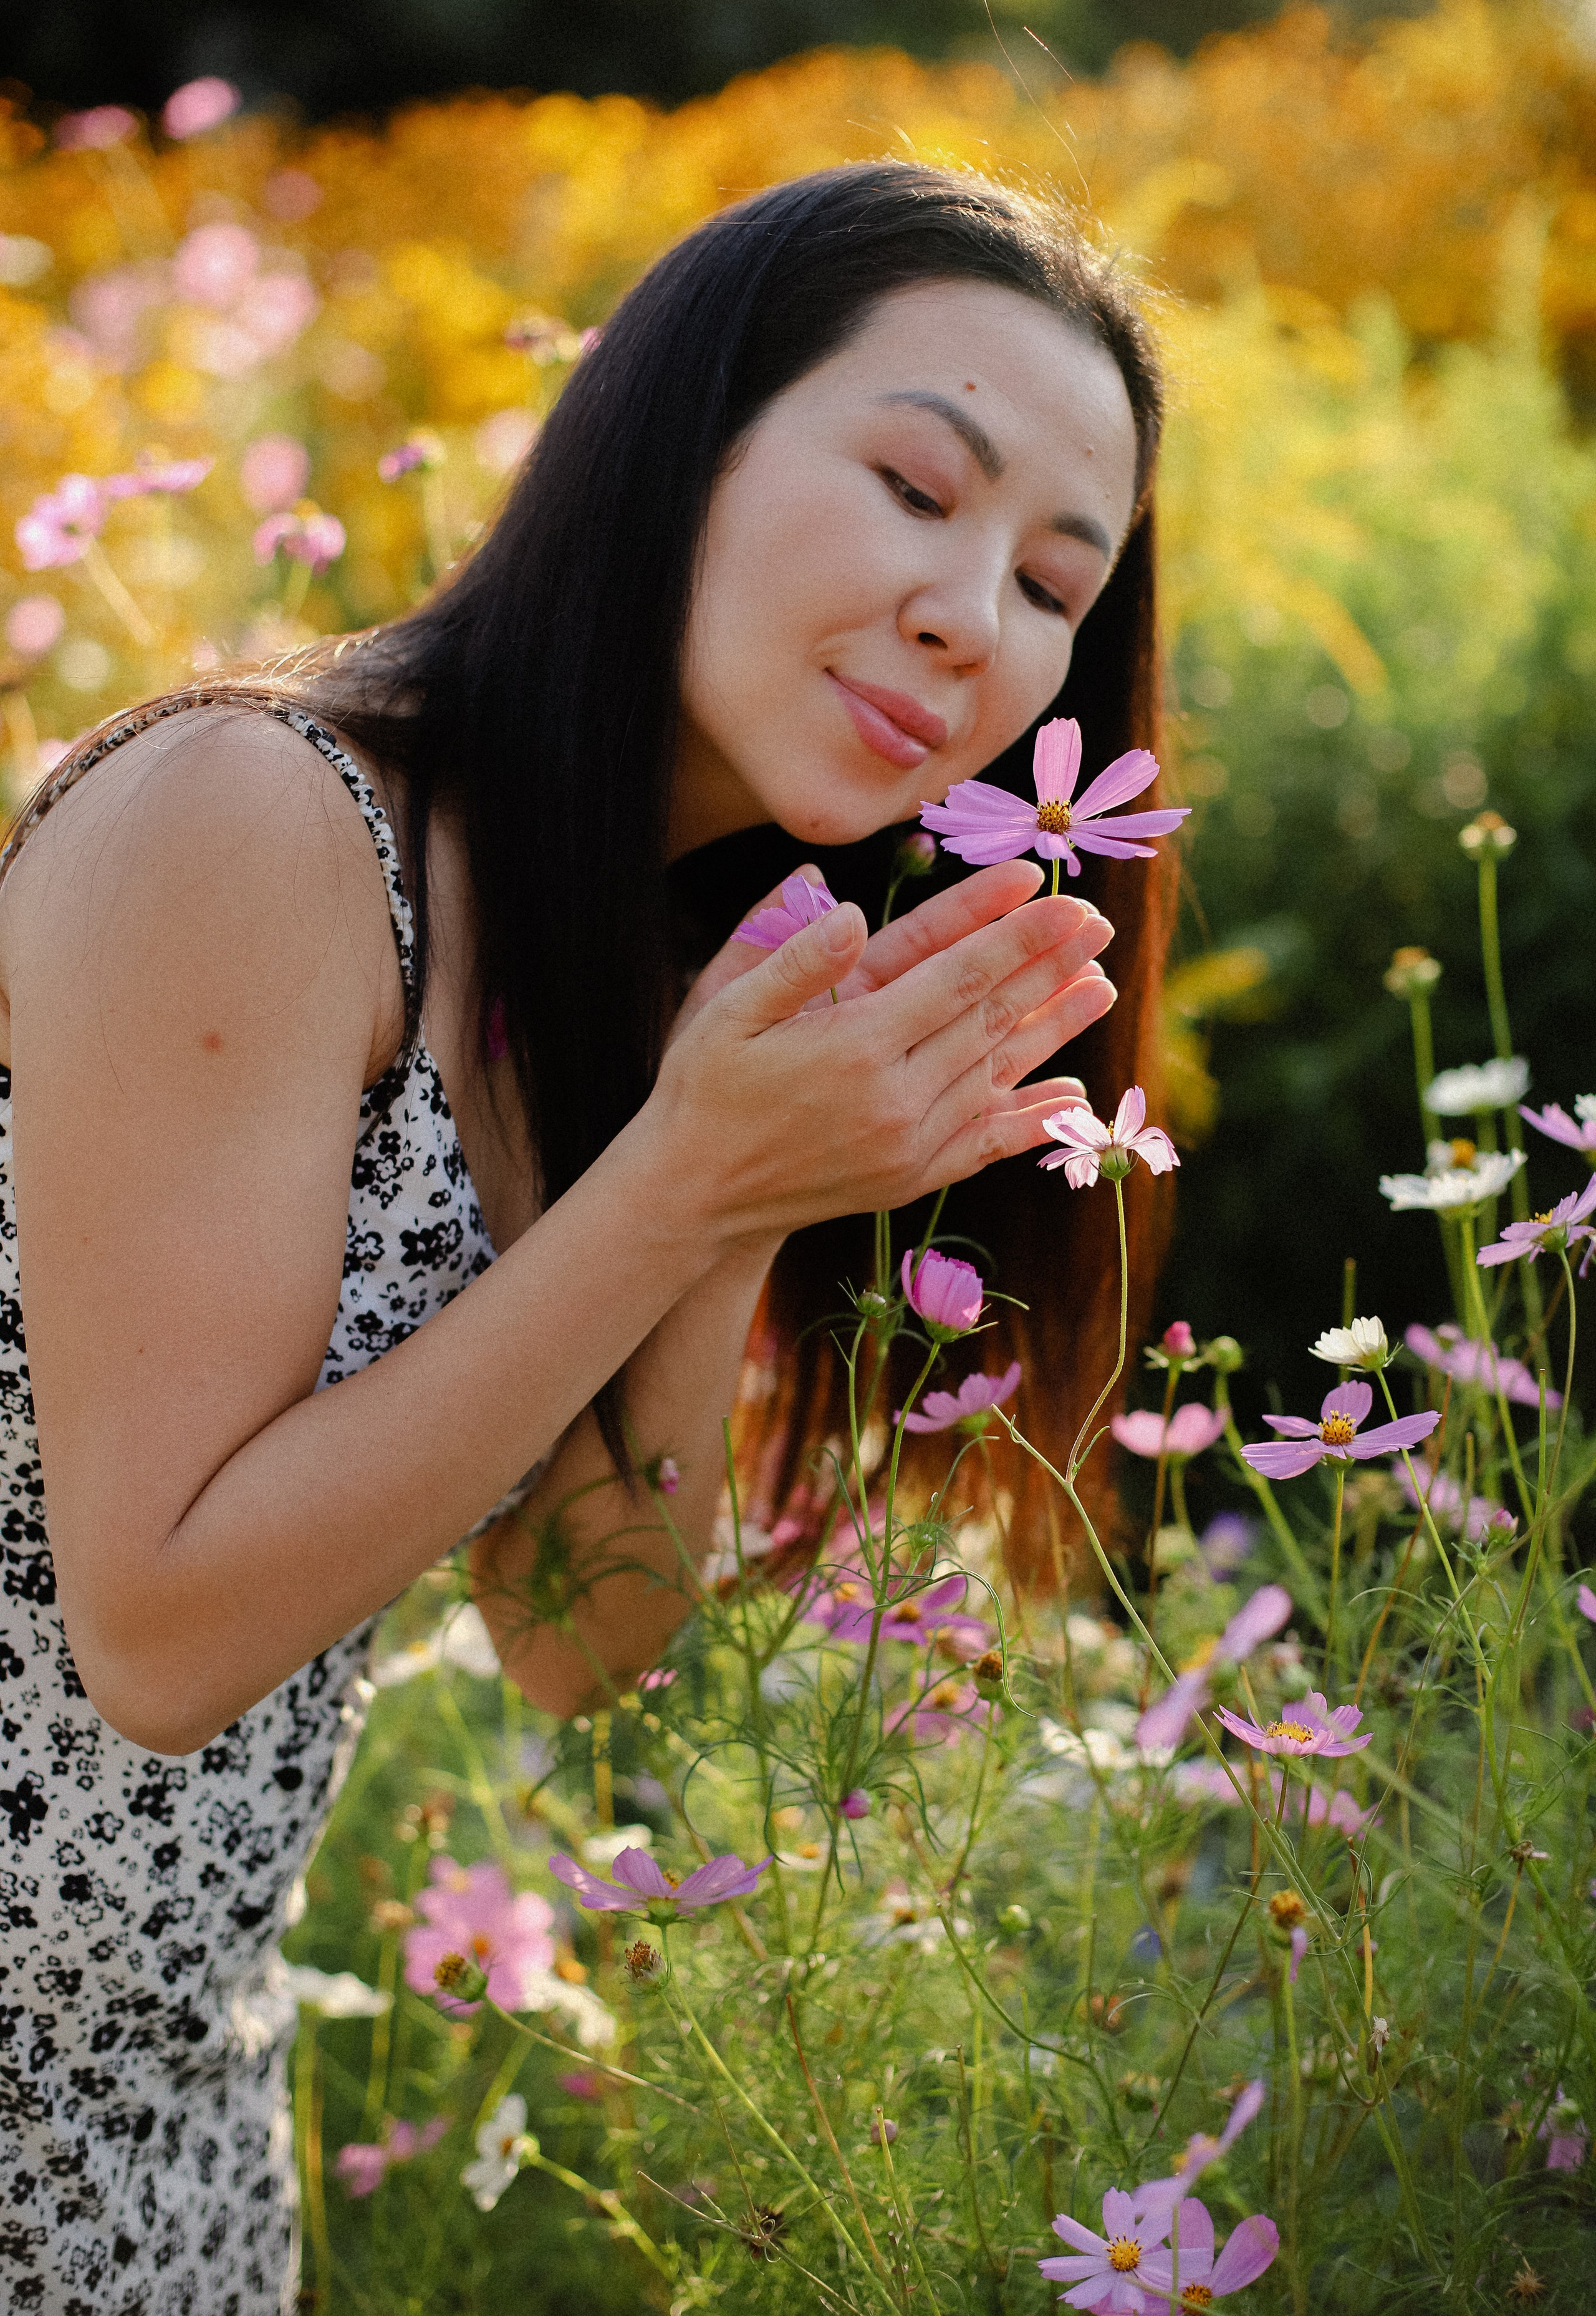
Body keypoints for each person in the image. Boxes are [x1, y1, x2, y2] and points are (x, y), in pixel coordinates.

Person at [0, 161, 1166, 2310]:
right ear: (672, 435)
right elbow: (153, 1637)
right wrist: (686, 1185)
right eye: (917, 488)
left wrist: (741, 1193)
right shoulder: (255, 822)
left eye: (1050, 584)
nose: (971, 619)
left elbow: (575, 1639)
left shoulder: (614, 963)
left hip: (166, 2130)